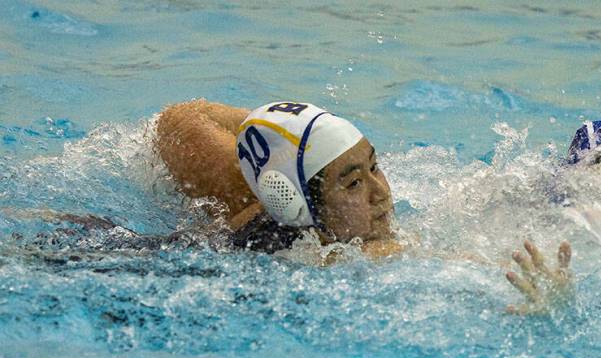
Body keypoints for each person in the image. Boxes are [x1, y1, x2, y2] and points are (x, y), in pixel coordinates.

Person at [155, 99, 572, 314]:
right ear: (302, 206)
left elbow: (181, 117)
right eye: (352, 182)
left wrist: (297, 136)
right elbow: (466, 269)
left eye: (374, 166)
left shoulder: (247, 203)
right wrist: (552, 298)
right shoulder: (348, 256)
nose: (381, 192)